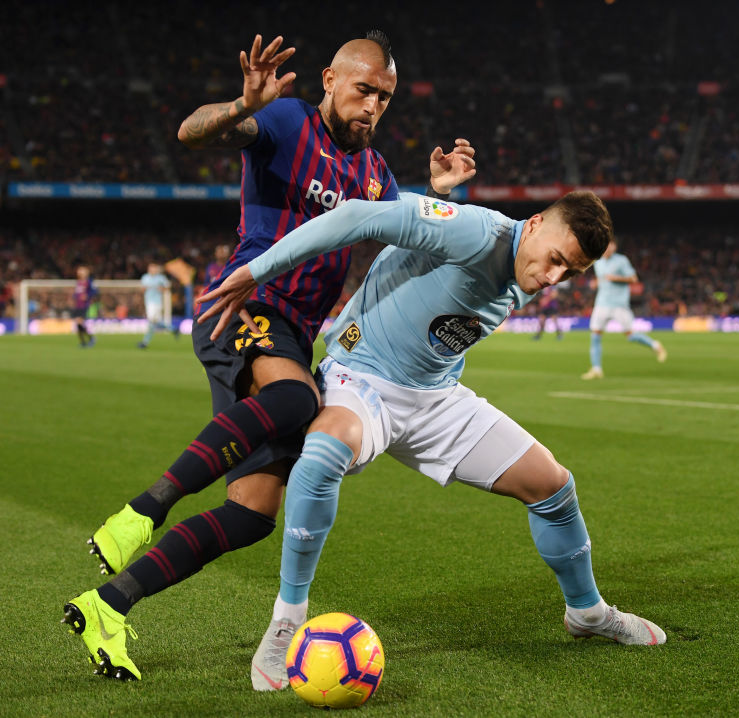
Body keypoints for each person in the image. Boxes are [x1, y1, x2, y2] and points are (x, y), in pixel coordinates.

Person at [61, 31, 476, 682]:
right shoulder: (288, 121)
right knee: (294, 400)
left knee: (252, 514)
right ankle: (142, 511)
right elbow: (190, 133)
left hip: (291, 333)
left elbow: (411, 248)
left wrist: (444, 198)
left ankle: (107, 605)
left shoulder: (375, 175)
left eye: (385, 97)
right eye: (363, 89)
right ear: (330, 81)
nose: (373, 106)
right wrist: (237, 106)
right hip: (242, 304)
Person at [198, 191, 668, 690]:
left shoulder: (529, 265)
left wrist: (434, 189)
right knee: (320, 458)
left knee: (553, 485)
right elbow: (358, 214)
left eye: (570, 273)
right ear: (533, 225)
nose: (554, 279)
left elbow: (416, 248)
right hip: (362, 380)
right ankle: (287, 621)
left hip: (435, 397)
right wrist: (257, 271)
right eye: (555, 260)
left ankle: (588, 613)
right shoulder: (477, 233)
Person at [580, 240, 666, 380]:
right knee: (595, 336)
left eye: (611, 246)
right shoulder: (598, 261)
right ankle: (596, 369)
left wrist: (616, 278)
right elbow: (601, 279)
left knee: (630, 335)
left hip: (619, 305)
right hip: (601, 303)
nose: (609, 249)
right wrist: (595, 283)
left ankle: (655, 345)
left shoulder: (621, 260)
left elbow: (634, 279)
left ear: (614, 247)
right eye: (606, 246)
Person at [137, 262, 180, 349]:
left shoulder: (160, 278)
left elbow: (168, 287)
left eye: (154, 268)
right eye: (151, 268)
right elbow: (142, 290)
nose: (152, 270)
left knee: (152, 321)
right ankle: (173, 329)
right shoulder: (145, 277)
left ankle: (145, 342)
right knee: (154, 322)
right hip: (148, 302)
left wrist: (162, 289)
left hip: (157, 303)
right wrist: (143, 289)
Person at [72, 265, 97, 348]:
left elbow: (94, 291)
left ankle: (91, 338)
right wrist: (74, 297)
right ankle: (83, 341)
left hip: (84, 305)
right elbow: (76, 293)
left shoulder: (89, 282)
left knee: (79, 321)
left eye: (81, 271)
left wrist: (87, 296)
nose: (79, 272)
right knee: (78, 323)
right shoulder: (78, 282)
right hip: (77, 305)